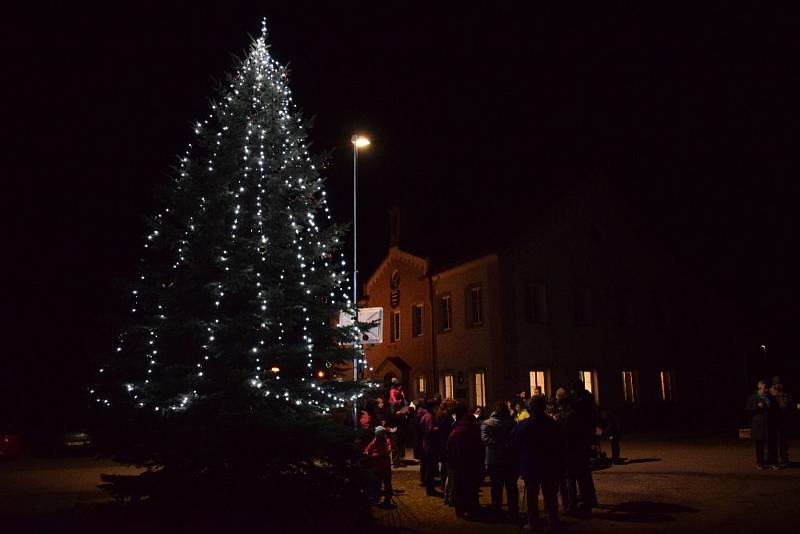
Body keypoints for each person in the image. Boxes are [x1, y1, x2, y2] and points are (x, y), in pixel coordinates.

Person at [511, 396, 562, 529]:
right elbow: (560, 443)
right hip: (548, 463)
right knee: (550, 494)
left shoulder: (524, 424)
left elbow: (515, 443)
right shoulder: (551, 423)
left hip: (531, 464)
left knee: (532, 494)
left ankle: (533, 520)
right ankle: (553, 519)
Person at [564, 380, 598, 516]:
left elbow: (567, 430)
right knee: (584, 473)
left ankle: (575, 506)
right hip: (584, 442)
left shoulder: (576, 409)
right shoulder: (588, 402)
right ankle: (589, 500)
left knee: (572, 475)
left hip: (574, 444)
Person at [481, 400, 519, 519]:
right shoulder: (511, 423)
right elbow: (515, 438)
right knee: (511, 486)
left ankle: (497, 510)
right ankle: (513, 510)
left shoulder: (487, 423)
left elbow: (484, 439)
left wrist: (495, 444)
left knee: (496, 487)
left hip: (494, 459)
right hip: (509, 459)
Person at [447, 404, 484, 519]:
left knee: (460, 486)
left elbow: (450, 446)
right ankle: (472, 507)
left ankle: (460, 509)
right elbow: (479, 446)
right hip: (471, 462)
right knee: (471, 486)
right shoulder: (474, 430)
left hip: (459, 462)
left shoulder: (456, 431)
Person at [746, 379, 778, 469]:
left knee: (772, 444)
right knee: (759, 446)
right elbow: (747, 408)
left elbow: (775, 409)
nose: (765, 390)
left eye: (766, 388)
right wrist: (756, 406)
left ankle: (774, 462)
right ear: (759, 387)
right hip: (759, 426)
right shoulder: (753, 397)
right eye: (763, 388)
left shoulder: (769, 397)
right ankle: (760, 463)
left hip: (769, 425)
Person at [365, 426, 395, 508]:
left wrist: (373, 455)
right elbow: (368, 449)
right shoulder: (375, 441)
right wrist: (368, 453)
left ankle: (386, 499)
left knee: (386, 483)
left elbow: (387, 451)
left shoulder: (385, 441)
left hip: (382, 465)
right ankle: (377, 499)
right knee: (379, 483)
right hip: (379, 465)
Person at [771, 377, 793, 466]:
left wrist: (780, 396)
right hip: (773, 422)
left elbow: (786, 406)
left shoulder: (784, 394)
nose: (780, 385)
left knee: (784, 442)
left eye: (780, 384)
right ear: (774, 384)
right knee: (774, 441)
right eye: (778, 384)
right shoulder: (769, 394)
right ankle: (774, 460)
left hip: (783, 421)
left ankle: (784, 459)